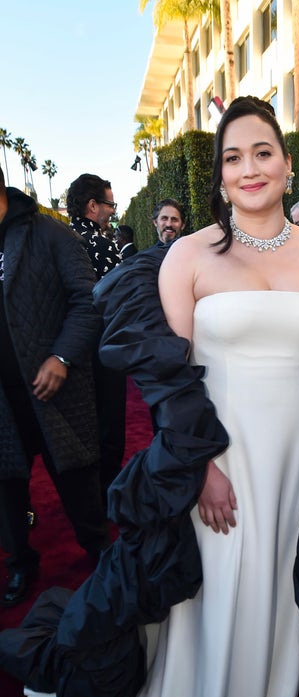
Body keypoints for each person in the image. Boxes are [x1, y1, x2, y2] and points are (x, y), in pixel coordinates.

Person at [8, 96, 299, 697]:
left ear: (288, 164)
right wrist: (200, 469)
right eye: (233, 158)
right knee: (223, 589)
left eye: (263, 152)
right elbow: (170, 381)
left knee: (280, 586)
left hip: (297, 463)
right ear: (220, 179)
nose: (249, 168)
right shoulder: (188, 256)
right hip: (219, 463)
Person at [0, 167, 110, 606]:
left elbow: (90, 299)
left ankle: (101, 553)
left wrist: (62, 356)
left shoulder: (50, 234)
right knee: (6, 489)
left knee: (78, 481)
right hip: (3, 401)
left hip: (54, 390)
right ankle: (21, 564)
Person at [67, 173, 126, 502]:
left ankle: (87, 496)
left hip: (69, 351)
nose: (112, 212)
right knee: (109, 426)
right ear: (93, 206)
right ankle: (108, 495)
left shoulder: (59, 240)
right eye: (110, 204)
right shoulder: (101, 246)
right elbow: (119, 300)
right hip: (105, 349)